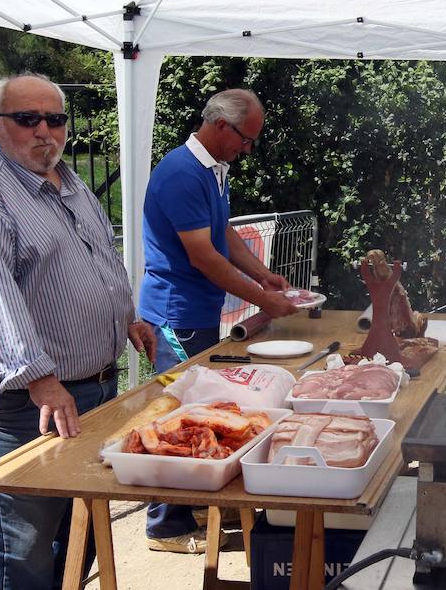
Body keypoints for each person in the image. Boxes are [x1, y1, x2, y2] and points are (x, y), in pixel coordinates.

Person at [0, 73, 156, 590]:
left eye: (55, 119)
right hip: (20, 401)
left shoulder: (68, 181)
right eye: (28, 119)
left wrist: (126, 318)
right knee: (19, 546)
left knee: (77, 531)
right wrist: (39, 378)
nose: (44, 131)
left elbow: (97, 260)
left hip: (90, 389)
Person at [139, 88, 297, 553]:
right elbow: (205, 257)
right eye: (246, 139)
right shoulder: (183, 174)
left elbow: (223, 234)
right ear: (221, 126)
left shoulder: (213, 169)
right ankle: (165, 527)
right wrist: (267, 301)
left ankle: (191, 511)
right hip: (176, 315)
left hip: (197, 312)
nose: (247, 149)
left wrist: (264, 276)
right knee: (183, 417)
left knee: (202, 413)